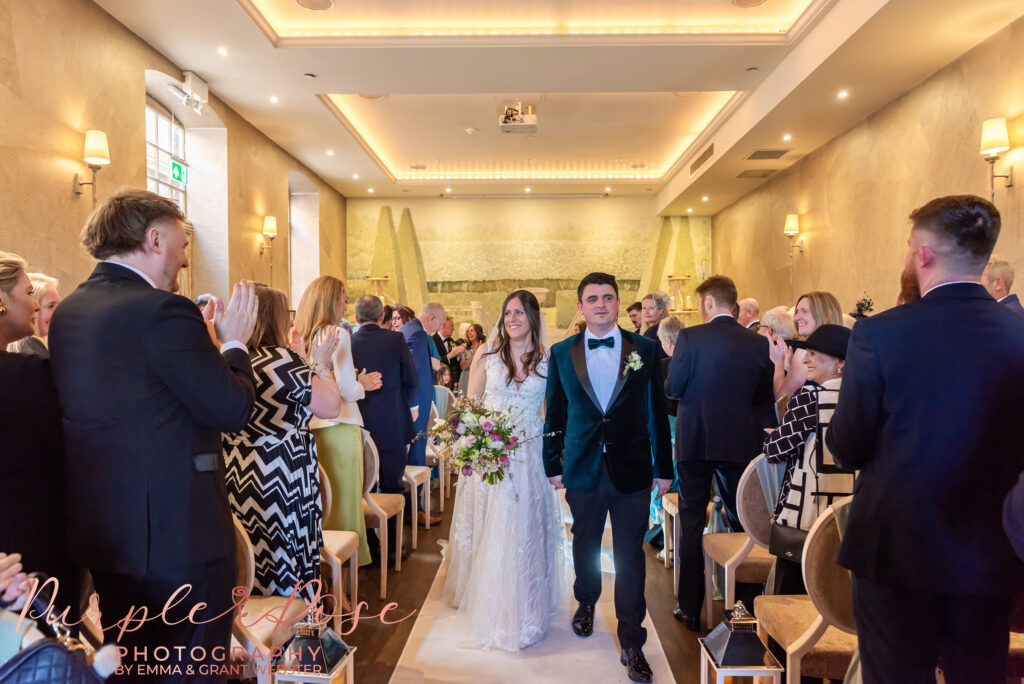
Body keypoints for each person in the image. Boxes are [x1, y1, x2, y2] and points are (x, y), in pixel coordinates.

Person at [48, 189, 258, 683]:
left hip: (108, 535)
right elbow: (232, 409)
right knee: (189, 669)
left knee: (138, 666)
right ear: (155, 238)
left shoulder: (69, 313)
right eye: (183, 245)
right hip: (178, 536)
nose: (185, 259)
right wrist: (233, 344)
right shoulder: (164, 311)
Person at [826, 195, 1024, 684]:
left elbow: (846, 446)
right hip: (991, 548)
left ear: (924, 254)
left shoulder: (881, 335)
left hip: (896, 548)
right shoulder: (1019, 336)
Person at [544, 272, 672, 683]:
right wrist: (553, 463)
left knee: (631, 556)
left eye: (608, 298)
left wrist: (664, 467)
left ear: (619, 305)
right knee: (584, 543)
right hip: (582, 466)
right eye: (593, 298)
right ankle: (585, 600)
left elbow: (656, 411)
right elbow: (556, 413)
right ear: (581, 307)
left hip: (631, 468)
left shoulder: (646, 350)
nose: (601, 304)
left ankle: (633, 640)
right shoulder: (562, 352)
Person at [443, 290, 568, 651]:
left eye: (519, 312)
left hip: (529, 454)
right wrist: (465, 440)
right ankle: (488, 600)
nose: (512, 318)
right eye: (507, 312)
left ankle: (527, 604)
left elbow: (555, 411)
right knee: (492, 528)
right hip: (490, 456)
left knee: (523, 529)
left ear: (532, 316)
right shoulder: (487, 354)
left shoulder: (549, 359)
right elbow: (472, 404)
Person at [665, 275, 775, 632]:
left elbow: (673, 387)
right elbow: (763, 397)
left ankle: (690, 608)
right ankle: (742, 610)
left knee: (692, 522)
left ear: (708, 303)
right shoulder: (756, 344)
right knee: (743, 522)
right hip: (740, 444)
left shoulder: (690, 338)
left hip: (695, 442)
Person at [223, 286, 341, 602]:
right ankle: (294, 629)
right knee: (285, 552)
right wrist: (321, 363)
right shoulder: (283, 361)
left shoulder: (229, 359)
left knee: (245, 550)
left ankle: (249, 629)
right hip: (282, 475)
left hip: (237, 470)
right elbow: (330, 406)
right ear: (276, 319)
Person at [0, 252, 79, 623]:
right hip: (30, 540)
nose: (33, 303)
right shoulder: (28, 376)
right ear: (1, 301)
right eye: (27, 292)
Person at [294, 276, 382, 570]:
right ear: (331, 300)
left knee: (324, 506)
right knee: (345, 507)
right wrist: (363, 385)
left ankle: (322, 574)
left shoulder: (300, 335)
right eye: (343, 296)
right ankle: (345, 578)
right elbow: (345, 390)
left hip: (312, 429)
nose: (346, 302)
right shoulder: (337, 334)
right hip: (342, 426)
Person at [762, 324, 854, 596]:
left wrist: (771, 436)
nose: (805, 359)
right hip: (850, 520)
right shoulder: (865, 400)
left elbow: (775, 451)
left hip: (807, 520)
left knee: (791, 601)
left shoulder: (810, 397)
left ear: (841, 363)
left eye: (815, 354)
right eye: (807, 352)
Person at [350, 295, 419, 562]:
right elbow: (411, 378)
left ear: (356, 318)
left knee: (363, 488)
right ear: (382, 317)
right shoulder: (396, 340)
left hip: (360, 426)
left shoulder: (350, 342)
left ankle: (369, 548)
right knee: (392, 486)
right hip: (392, 422)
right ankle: (391, 548)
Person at [401, 302, 446, 526]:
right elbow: (410, 372)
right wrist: (413, 405)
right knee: (416, 457)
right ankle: (414, 510)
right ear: (432, 318)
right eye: (439, 323)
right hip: (415, 408)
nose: (436, 329)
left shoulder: (411, 330)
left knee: (413, 456)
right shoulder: (418, 334)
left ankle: (412, 507)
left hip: (415, 405)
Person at [768, 291, 843, 400]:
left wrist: (778, 363)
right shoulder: (844, 346)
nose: (796, 318)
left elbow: (783, 401)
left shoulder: (806, 351)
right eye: (797, 312)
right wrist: (790, 369)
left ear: (825, 314)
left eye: (804, 311)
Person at [6, 272, 59, 357]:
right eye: (50, 306)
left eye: (58, 305)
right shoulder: (29, 345)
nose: (58, 312)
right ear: (33, 307)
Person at [433, 315, 466, 387]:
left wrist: (458, 355)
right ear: (443, 326)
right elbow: (434, 363)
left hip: (450, 383)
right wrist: (450, 355)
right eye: (451, 325)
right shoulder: (432, 341)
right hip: (437, 382)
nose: (453, 328)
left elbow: (454, 363)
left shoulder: (451, 341)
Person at [459, 323, 486, 389]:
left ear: (478, 332)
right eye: (468, 331)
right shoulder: (465, 347)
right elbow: (463, 366)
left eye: (472, 331)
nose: (469, 333)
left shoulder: (484, 347)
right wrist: (475, 355)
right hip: (466, 377)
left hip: (479, 377)